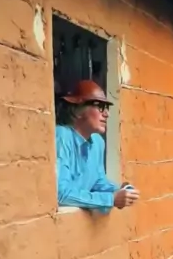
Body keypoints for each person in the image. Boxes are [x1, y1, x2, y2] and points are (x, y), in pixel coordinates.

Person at [55, 79, 140, 213]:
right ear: (78, 110)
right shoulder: (61, 136)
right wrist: (110, 199)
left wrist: (120, 190)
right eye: (99, 106)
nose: (106, 114)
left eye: (106, 108)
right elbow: (61, 194)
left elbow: (97, 182)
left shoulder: (97, 142)